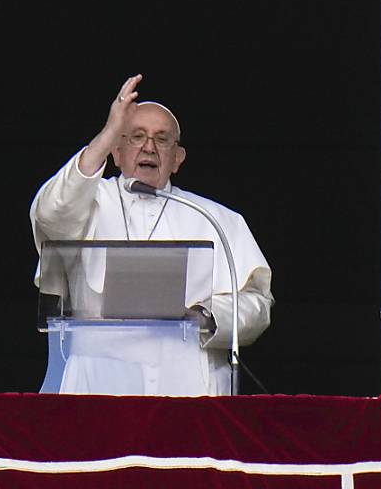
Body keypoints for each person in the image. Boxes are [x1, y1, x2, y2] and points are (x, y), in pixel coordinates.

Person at [30, 74, 273, 395]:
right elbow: (50, 213)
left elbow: (258, 304)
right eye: (135, 137)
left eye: (161, 139)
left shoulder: (215, 218)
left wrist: (206, 317)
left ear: (178, 158)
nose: (148, 147)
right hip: (98, 379)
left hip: (188, 382)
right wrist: (107, 133)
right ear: (116, 152)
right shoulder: (88, 201)